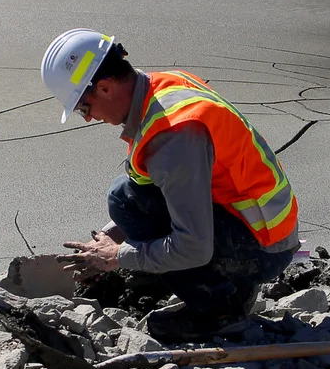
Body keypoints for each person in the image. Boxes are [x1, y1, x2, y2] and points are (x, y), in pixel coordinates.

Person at [41, 28, 300, 342]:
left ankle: (219, 311)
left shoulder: (174, 136)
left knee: (124, 201)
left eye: (84, 107)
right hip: (258, 225)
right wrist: (109, 238)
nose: (88, 118)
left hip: (263, 247)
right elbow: (157, 192)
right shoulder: (163, 86)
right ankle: (232, 289)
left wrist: (118, 256)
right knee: (126, 200)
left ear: (106, 88)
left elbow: (192, 247)